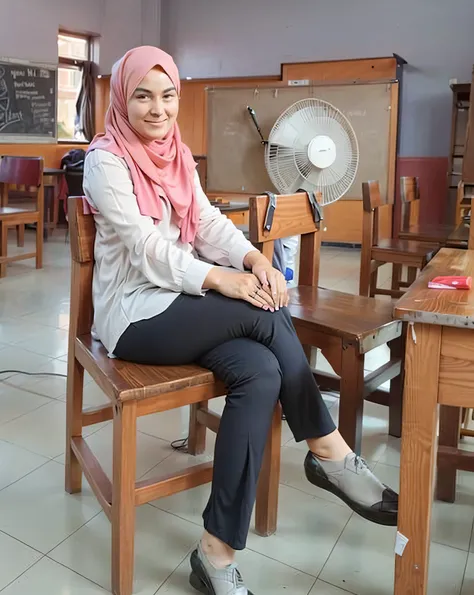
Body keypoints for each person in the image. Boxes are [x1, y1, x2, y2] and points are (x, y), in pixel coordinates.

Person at [83, 46, 398, 595]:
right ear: (121, 98)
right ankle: (328, 450)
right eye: (142, 95)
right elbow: (144, 249)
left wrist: (251, 258)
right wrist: (220, 279)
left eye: (167, 96)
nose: (157, 109)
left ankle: (215, 554)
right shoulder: (106, 159)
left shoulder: (174, 153)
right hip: (133, 315)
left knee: (261, 373)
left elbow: (204, 221)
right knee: (262, 311)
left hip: (181, 308)